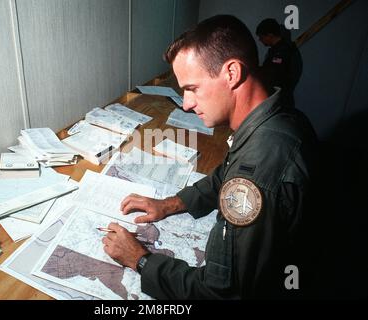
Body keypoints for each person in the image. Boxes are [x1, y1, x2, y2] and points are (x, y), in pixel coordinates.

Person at [102, 14, 317, 299]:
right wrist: (169, 204)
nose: (187, 104)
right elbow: (224, 174)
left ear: (231, 73)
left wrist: (140, 260)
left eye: (192, 88)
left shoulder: (257, 173)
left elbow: (220, 293)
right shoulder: (275, 116)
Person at [256, 18, 303, 108]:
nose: (260, 40)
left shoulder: (282, 52)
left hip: (280, 100)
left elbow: (272, 73)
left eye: (261, 37)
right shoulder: (279, 50)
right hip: (280, 98)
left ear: (270, 35)